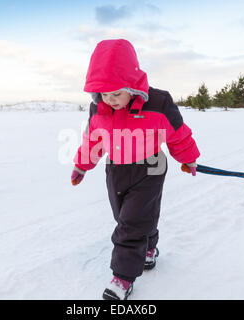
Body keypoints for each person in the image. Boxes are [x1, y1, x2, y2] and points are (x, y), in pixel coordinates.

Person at [71, 39, 200, 300]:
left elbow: (178, 134)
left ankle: (122, 277)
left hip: (150, 167)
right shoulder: (99, 106)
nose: (110, 99)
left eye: (116, 93)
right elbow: (93, 139)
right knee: (126, 216)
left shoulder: (158, 102)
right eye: (104, 93)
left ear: (132, 84)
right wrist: (81, 166)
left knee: (130, 223)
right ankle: (148, 248)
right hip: (116, 169)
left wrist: (188, 158)